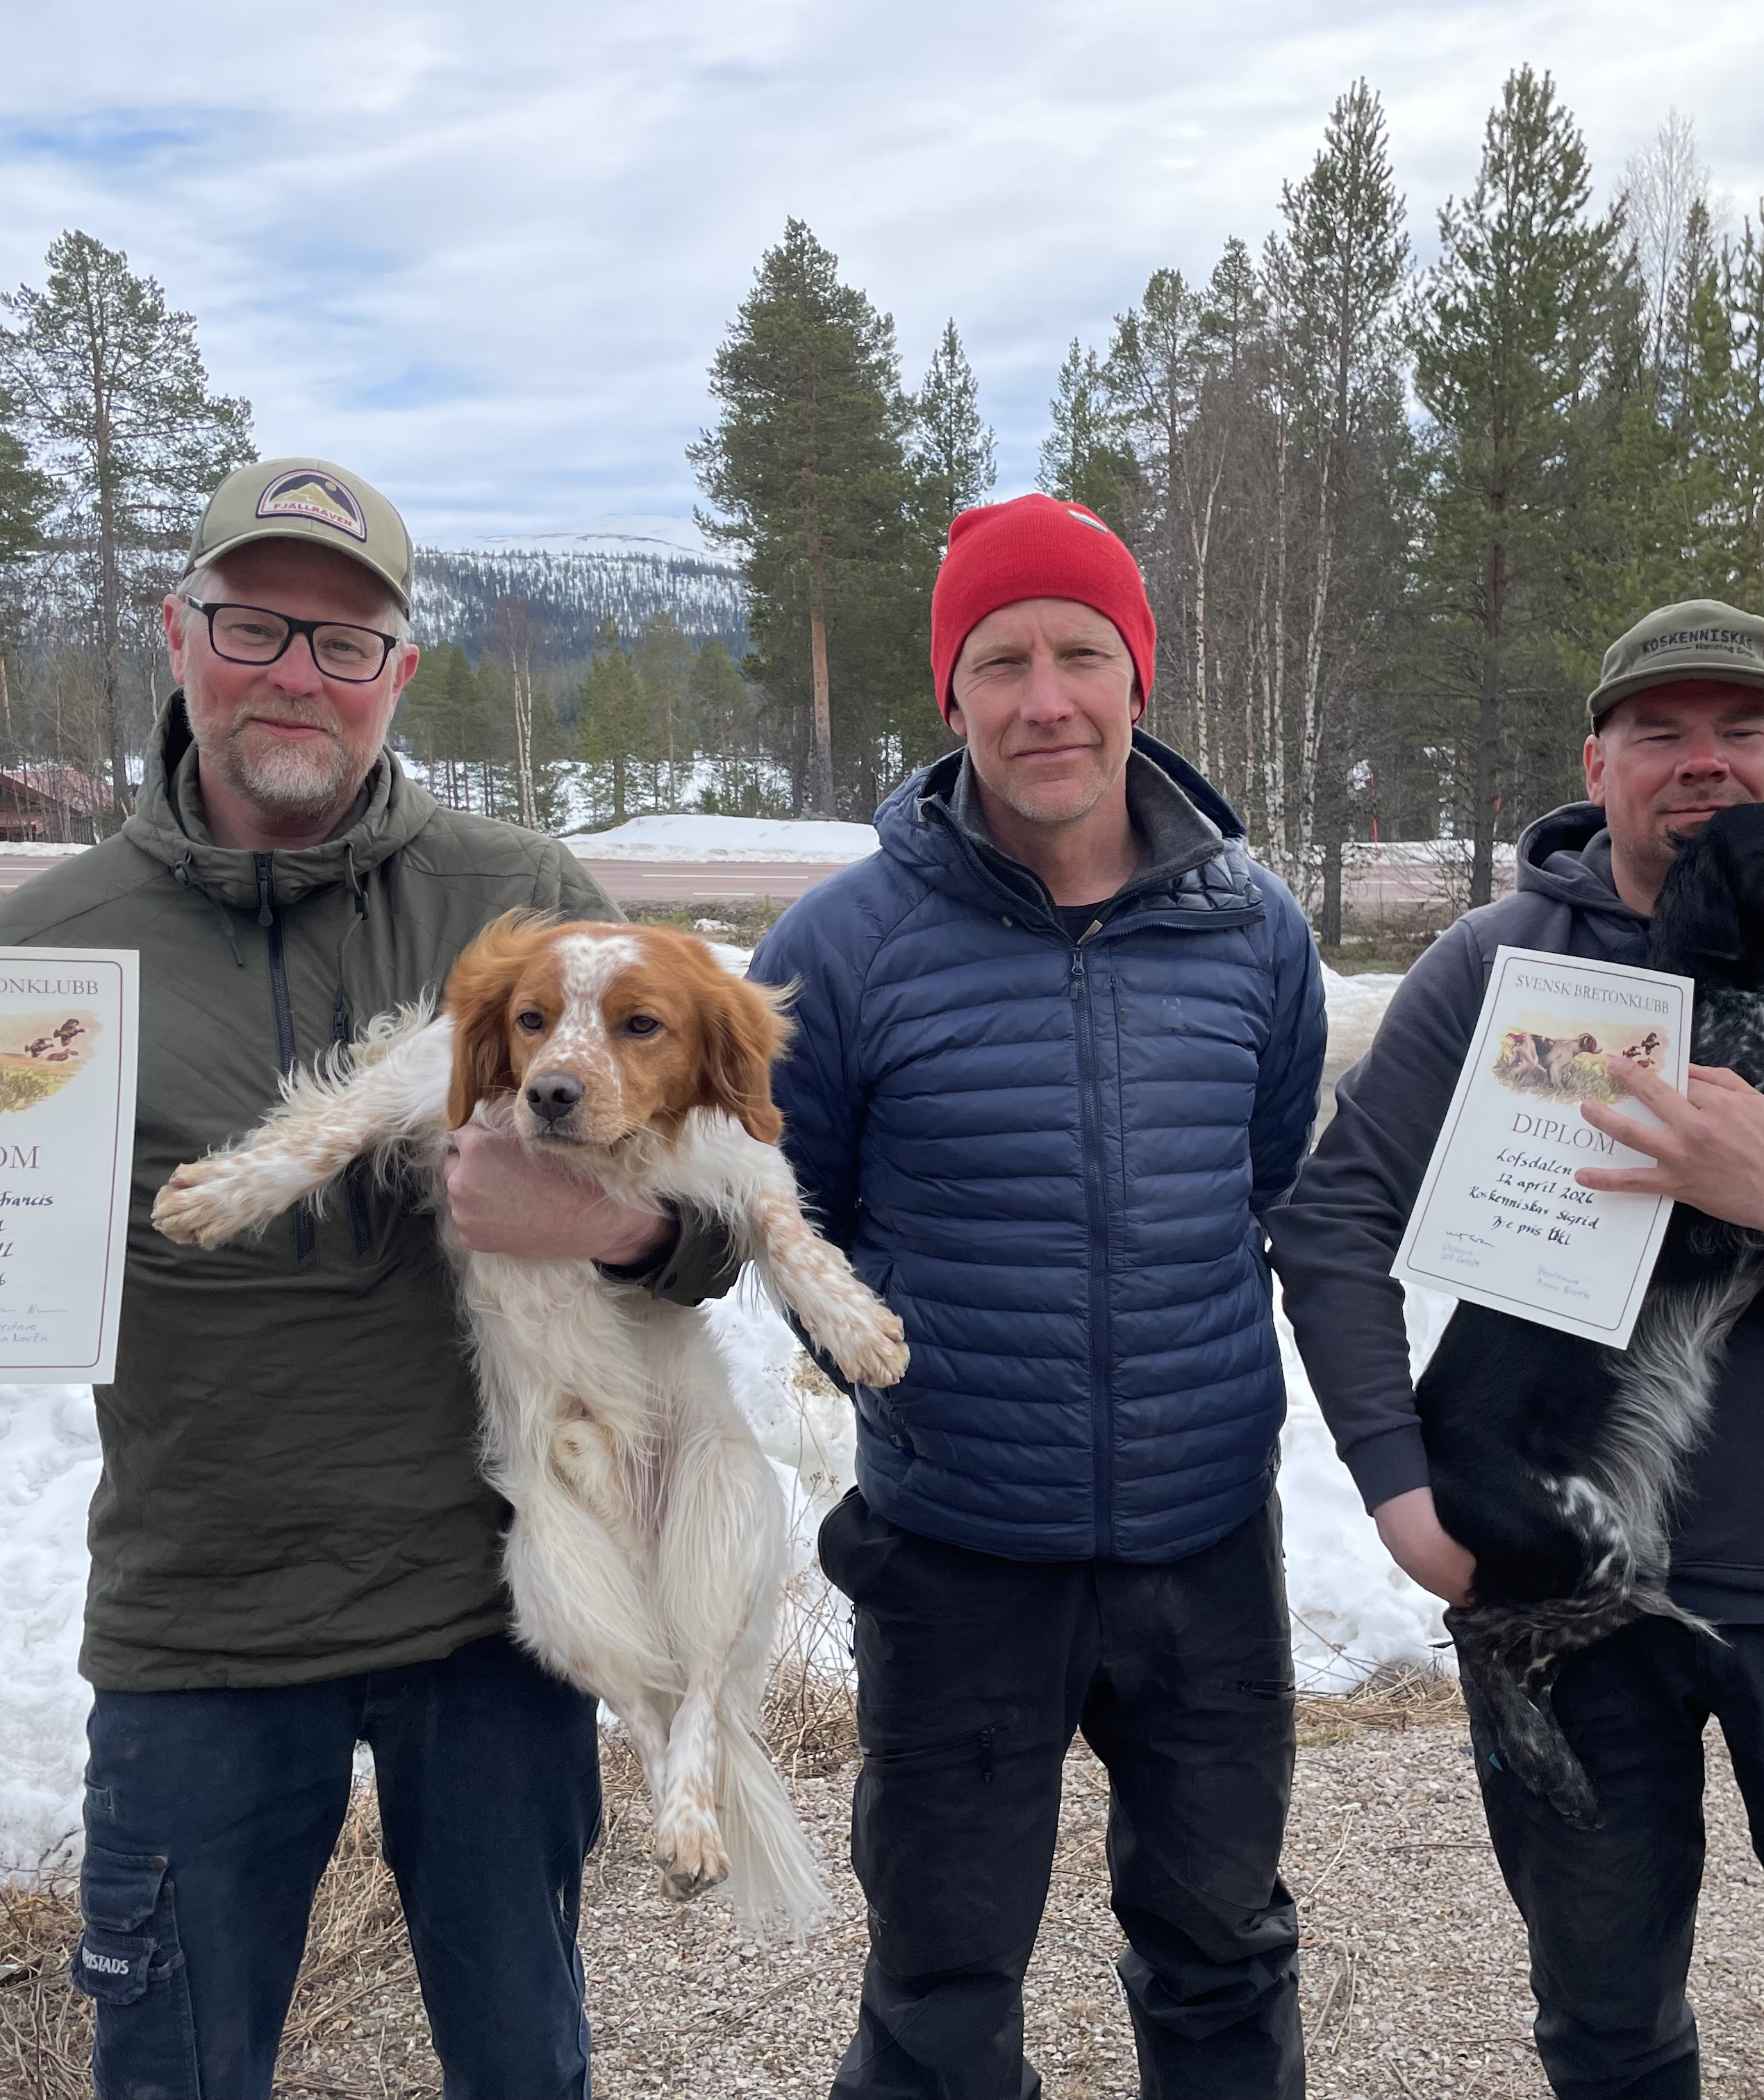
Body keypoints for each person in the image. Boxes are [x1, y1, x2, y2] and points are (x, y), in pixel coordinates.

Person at [0, 456, 739, 2100]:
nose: (295, 675)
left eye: (345, 643)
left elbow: (733, 1211)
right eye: (256, 625)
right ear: (178, 636)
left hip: (495, 1617)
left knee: (526, 2064)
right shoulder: (48, 946)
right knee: (178, 2069)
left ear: (399, 674)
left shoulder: (523, 913)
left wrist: (625, 1232)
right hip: (203, 1631)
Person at [1267, 598, 1764, 2100]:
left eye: (1741, 730)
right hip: (1562, 1601)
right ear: (1599, 762)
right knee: (1608, 2041)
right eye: (1660, 732)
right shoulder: (1498, 971)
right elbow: (1333, 1216)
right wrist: (1400, 1498)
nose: (1703, 763)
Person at [751, 493, 1327, 2100]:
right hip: (957, 1560)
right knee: (940, 1982)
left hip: (1205, 1545)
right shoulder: (843, 945)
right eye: (1000, 659)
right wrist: (909, 1389)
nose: (1045, 697)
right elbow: (790, 1214)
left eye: (1083, 651)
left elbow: (1267, 1179)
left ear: (1140, 678)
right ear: (952, 694)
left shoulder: (1258, 936)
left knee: (1224, 1946)